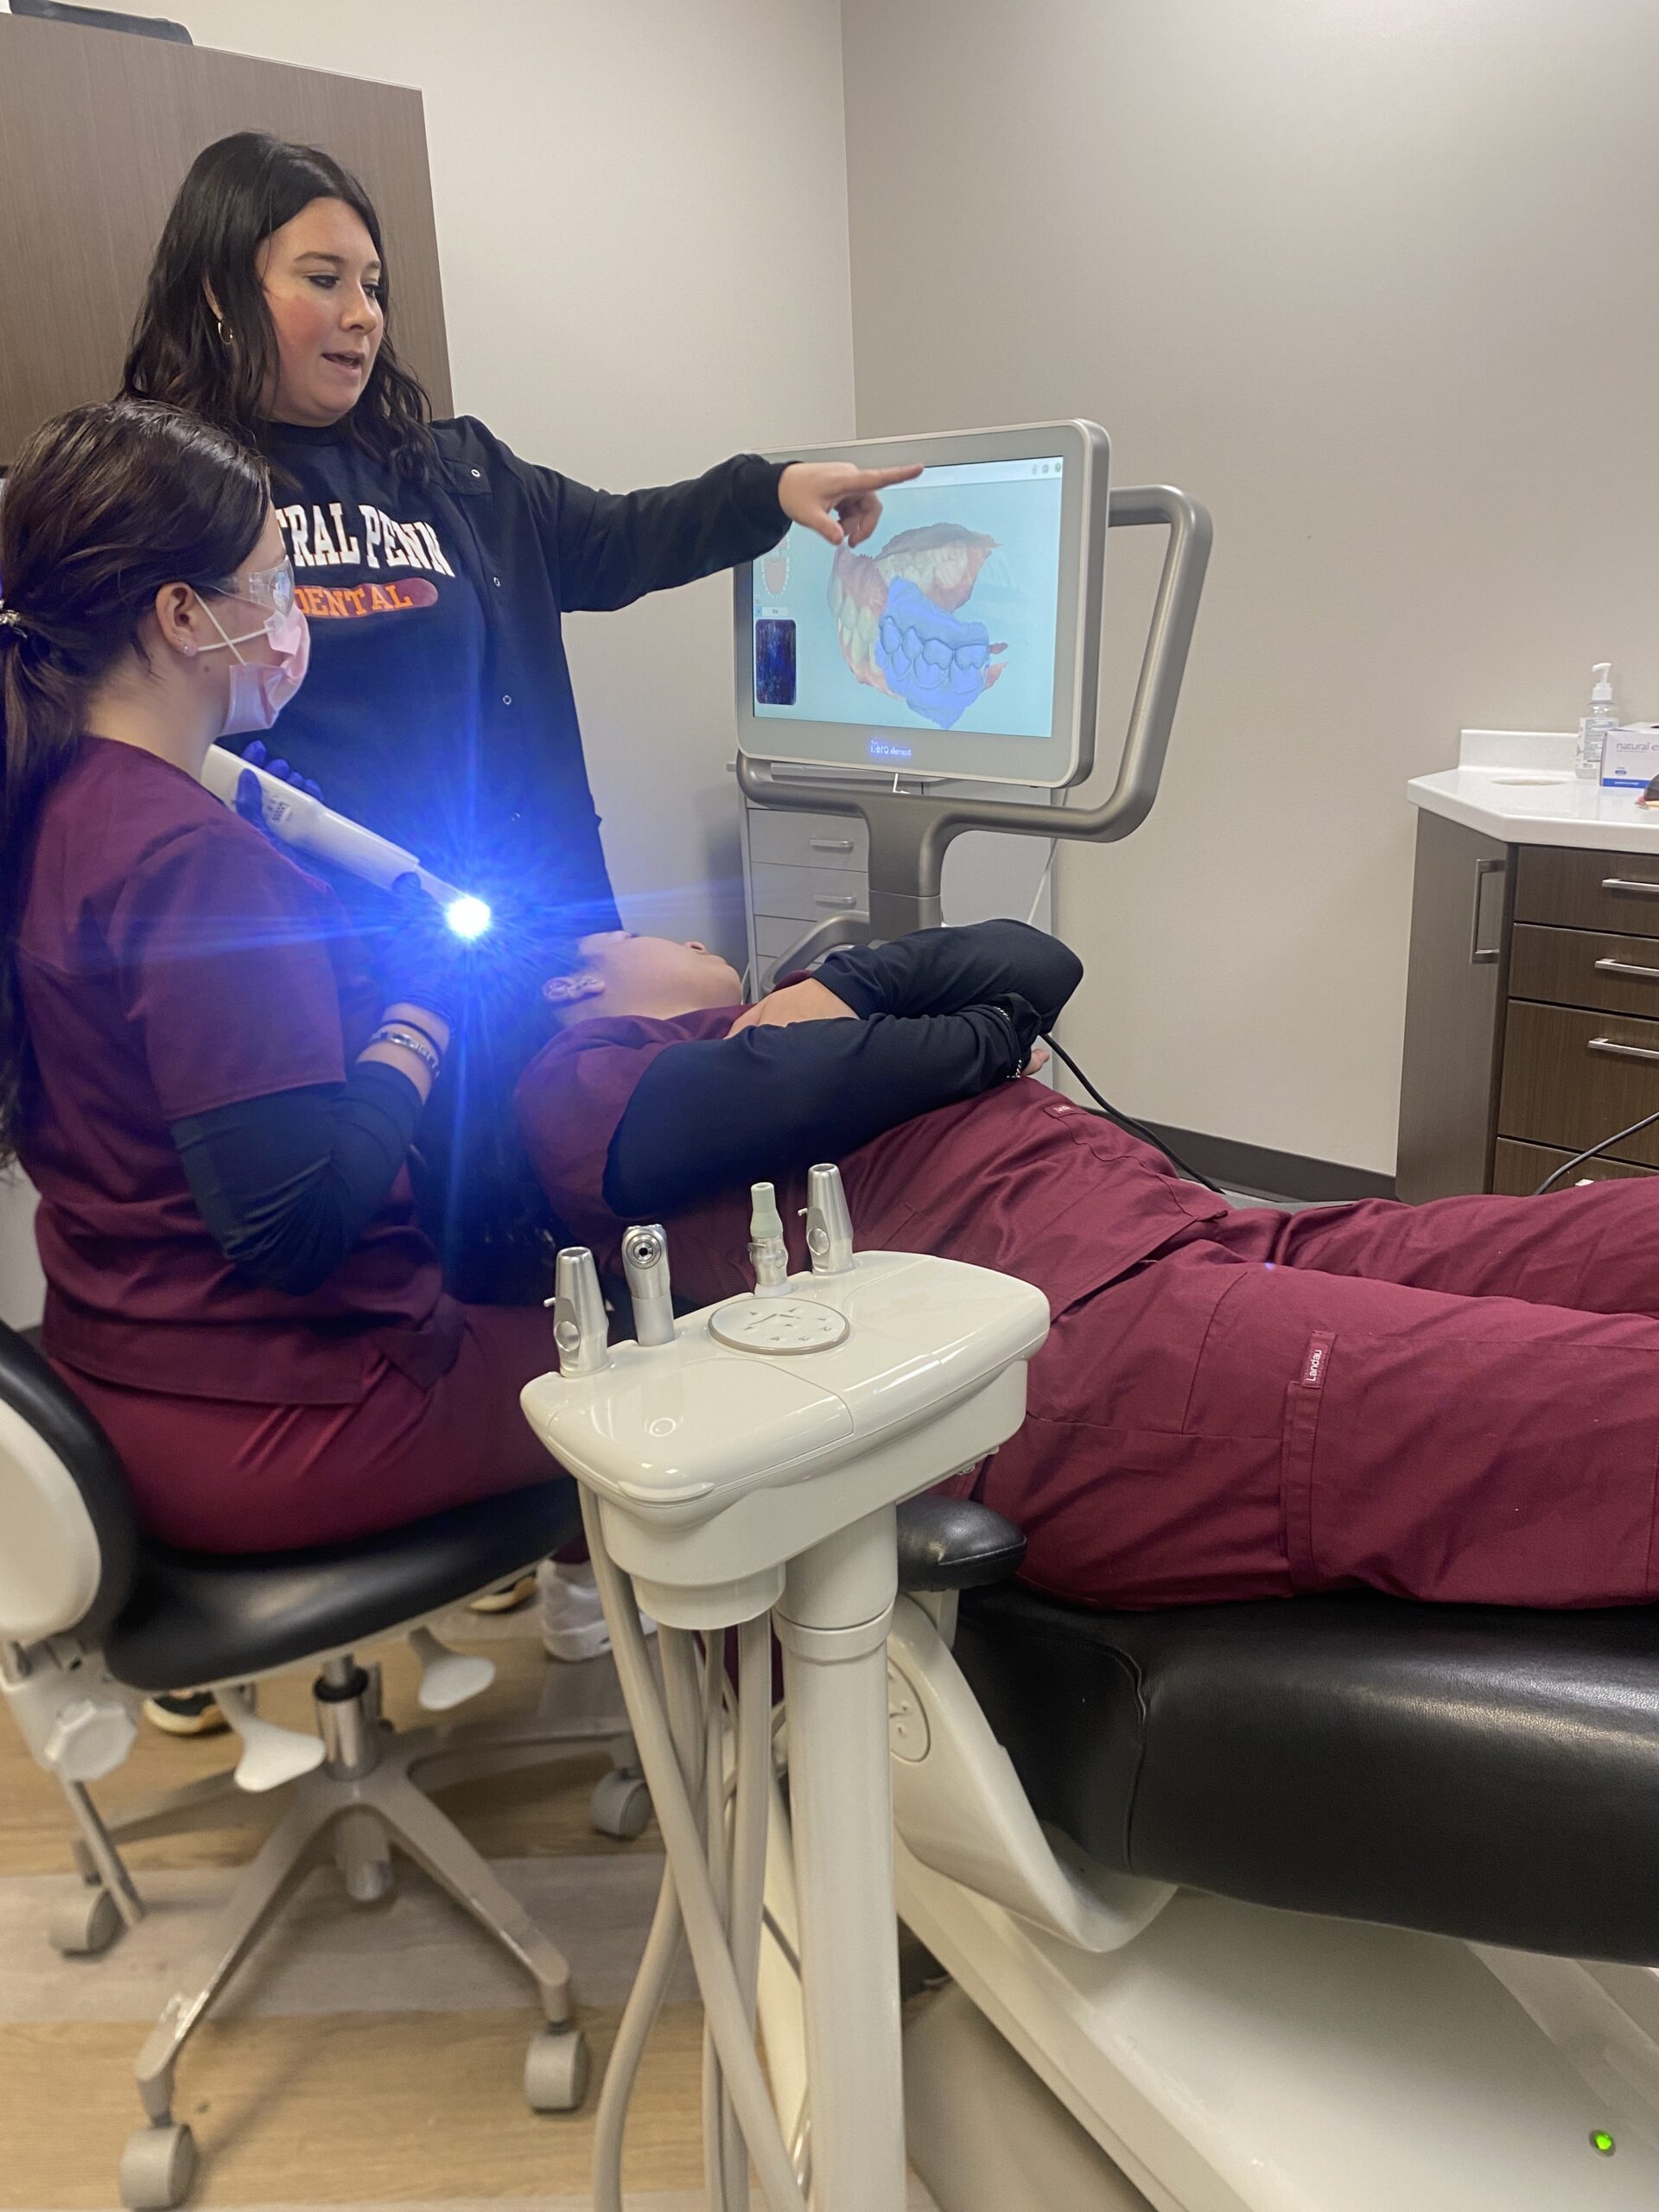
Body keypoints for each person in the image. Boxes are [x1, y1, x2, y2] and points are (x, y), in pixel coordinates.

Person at [122, 131, 917, 1298]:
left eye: (374, 286)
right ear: (221, 290)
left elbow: (614, 536)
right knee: (412, 1272)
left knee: (575, 1235)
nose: (360, 317)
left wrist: (768, 492)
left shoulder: (456, 473)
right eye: (322, 280)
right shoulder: (183, 494)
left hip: (521, 938)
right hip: (347, 983)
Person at [516, 918, 1659, 1614]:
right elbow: (736, 1102)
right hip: (1087, 1350)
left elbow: (1029, 956)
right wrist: (868, 1025)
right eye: (654, 937)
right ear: (577, 983)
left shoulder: (787, 1032)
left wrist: (850, 991)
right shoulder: (576, 1076)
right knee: (1608, 1404)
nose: (698, 938)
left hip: (1201, 1243)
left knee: (1617, 1234)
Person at [0, 399, 563, 1601]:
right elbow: (294, 1230)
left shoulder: (53, 802)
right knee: (641, 1353)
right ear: (178, 614)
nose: (288, 613)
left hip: (127, 1379)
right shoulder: (184, 858)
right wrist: (420, 1007)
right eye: (271, 580)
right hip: (287, 1424)